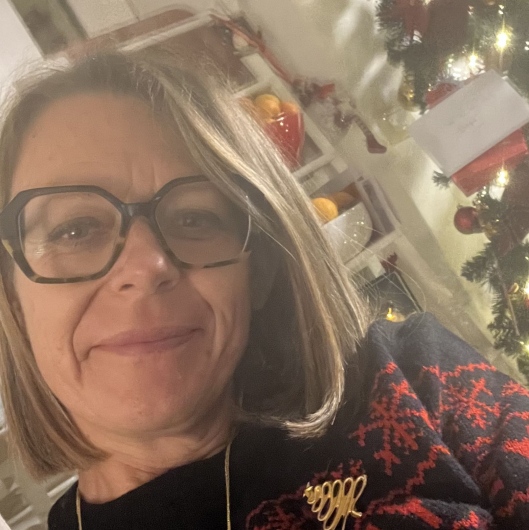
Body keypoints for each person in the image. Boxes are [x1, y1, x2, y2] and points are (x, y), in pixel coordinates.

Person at [0, 47, 528, 530]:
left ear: (259, 272)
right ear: (13, 299)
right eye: (75, 231)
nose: (147, 266)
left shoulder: (413, 377)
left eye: (194, 218)